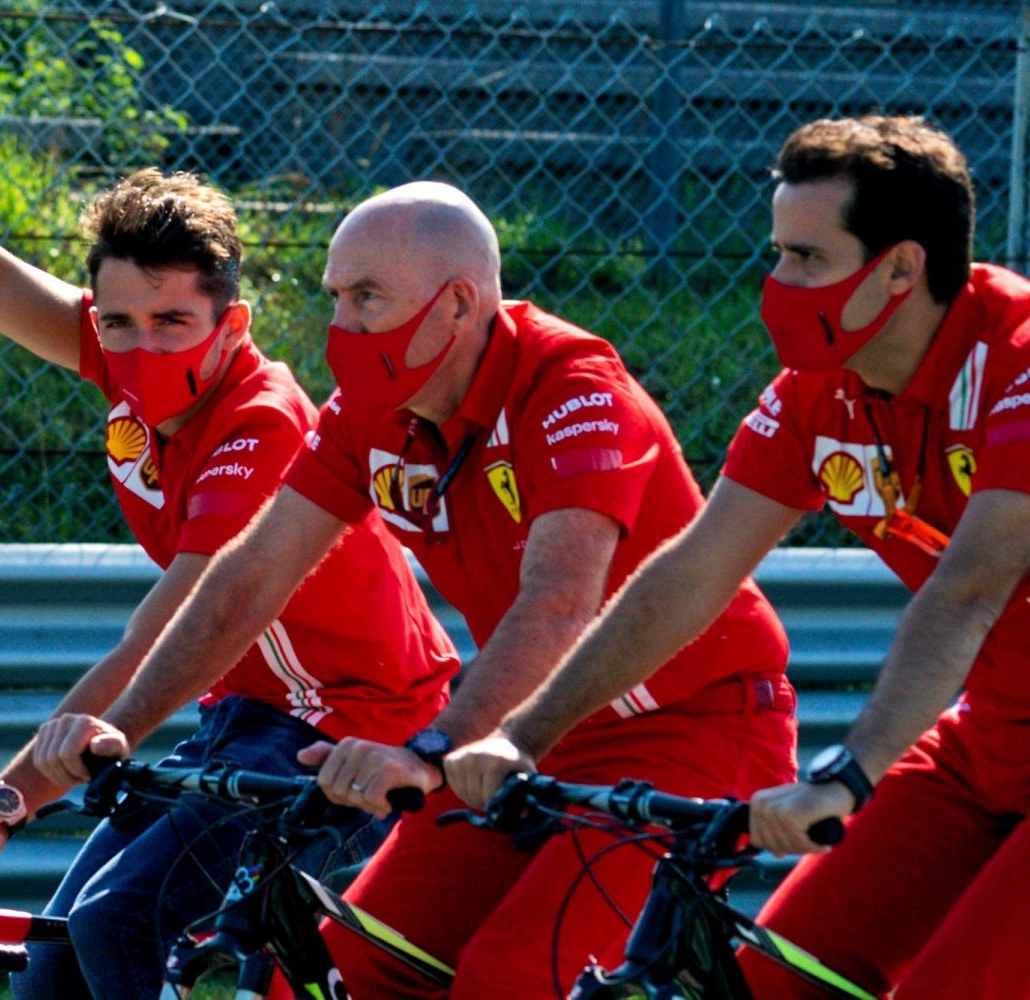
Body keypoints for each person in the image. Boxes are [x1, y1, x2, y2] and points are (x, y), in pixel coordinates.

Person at [447, 114, 1030, 999]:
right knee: (771, 978)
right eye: (777, 253)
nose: (777, 282)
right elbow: (694, 570)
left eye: (807, 259)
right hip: (982, 744)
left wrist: (849, 775)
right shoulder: (816, 389)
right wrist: (524, 734)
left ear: (901, 269)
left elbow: (967, 592)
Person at [0, 76, 459, 999]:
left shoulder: (262, 424)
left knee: (117, 927)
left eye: (173, 322)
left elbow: (166, 630)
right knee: (54, 957)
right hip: (247, 718)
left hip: (354, 725)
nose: (142, 351)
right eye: (118, 323)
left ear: (234, 325)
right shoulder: (126, 353)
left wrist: (1, 804)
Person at [49, 179, 798, 997]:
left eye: (368, 298)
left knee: (507, 979)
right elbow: (249, 576)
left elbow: (559, 603)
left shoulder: (575, 387)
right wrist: (116, 729)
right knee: (340, 969)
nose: (341, 327)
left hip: (690, 728)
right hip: (516, 731)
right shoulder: (369, 409)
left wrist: (431, 750)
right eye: (335, 296)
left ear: (456, 304)